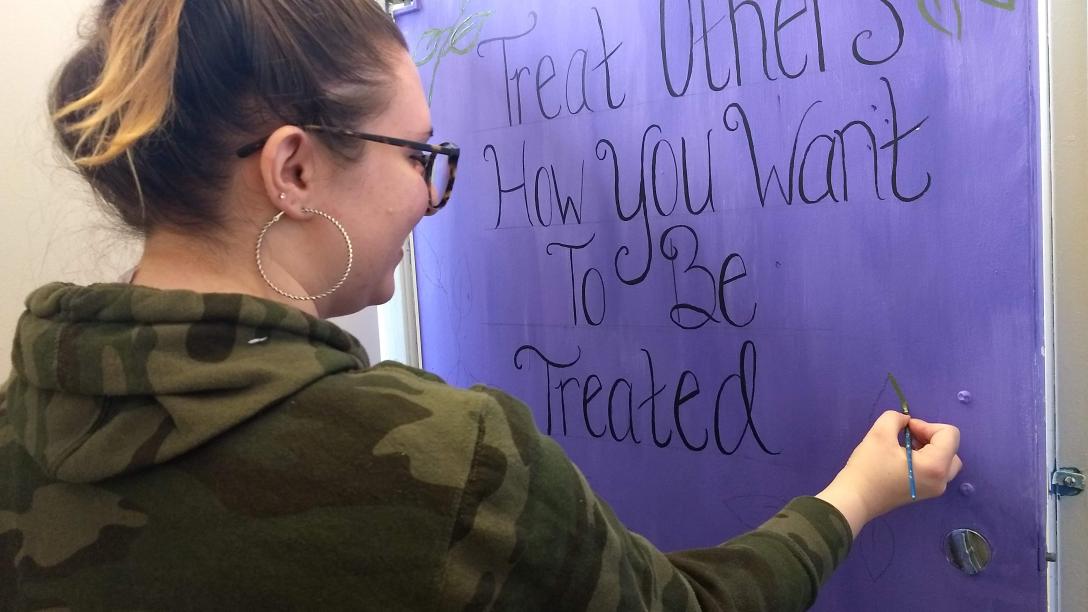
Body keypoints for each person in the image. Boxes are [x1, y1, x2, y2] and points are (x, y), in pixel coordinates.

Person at [0, 1, 963, 610]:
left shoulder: (24, 424)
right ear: (294, 168)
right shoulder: (440, 463)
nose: (430, 192)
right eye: (417, 156)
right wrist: (856, 497)